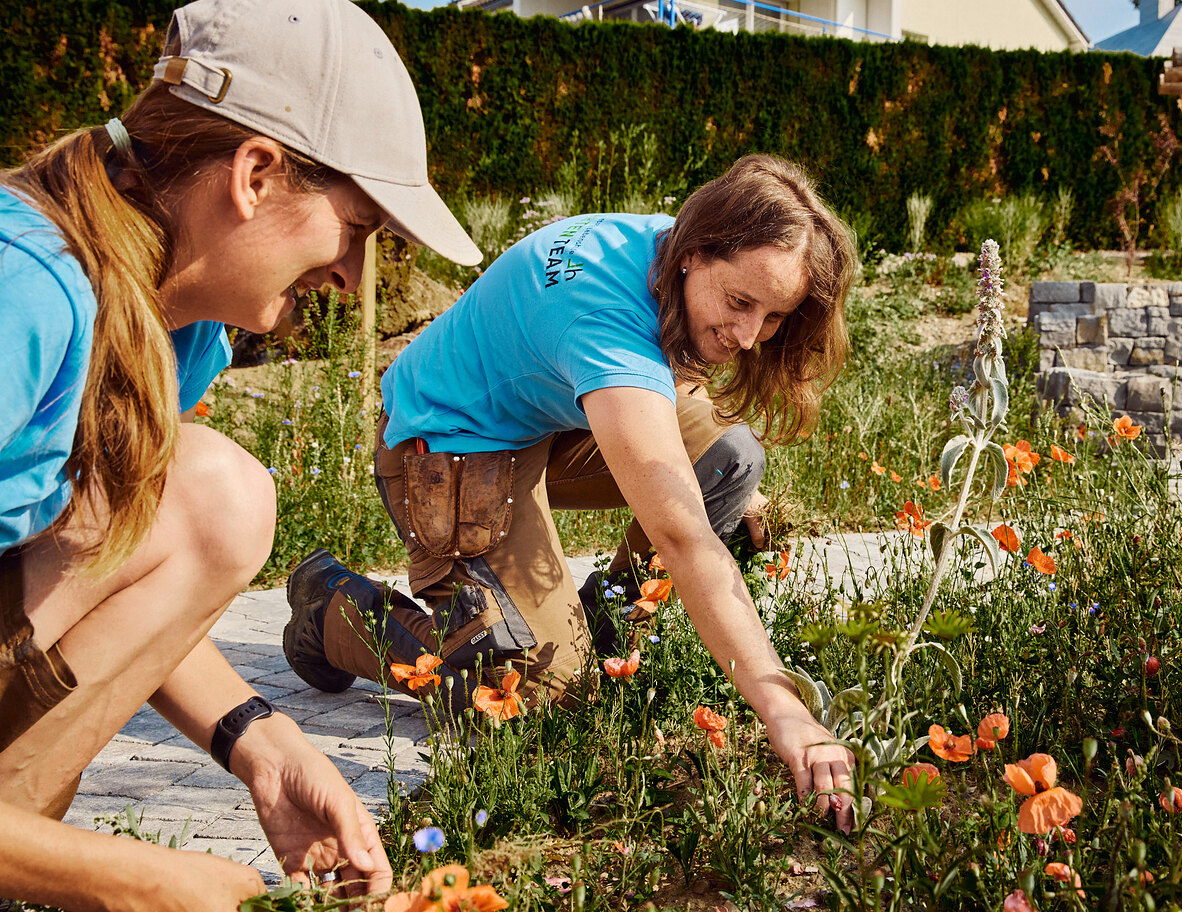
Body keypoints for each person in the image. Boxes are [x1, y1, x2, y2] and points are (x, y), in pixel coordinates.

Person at [0, 0, 483, 909]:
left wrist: (265, 746)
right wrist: (132, 882)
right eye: (359, 229)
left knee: (215, 498)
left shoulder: (179, 330)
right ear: (255, 174)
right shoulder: (26, 293)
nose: (352, 274)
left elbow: (104, 583)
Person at [284, 154, 861, 829]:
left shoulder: (672, 246)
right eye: (739, 303)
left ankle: (601, 626)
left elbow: (666, 397)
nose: (745, 337)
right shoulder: (604, 322)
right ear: (696, 256)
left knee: (727, 459)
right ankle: (332, 611)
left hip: (544, 420)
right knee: (535, 696)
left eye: (771, 316)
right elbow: (681, 535)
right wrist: (781, 703)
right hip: (446, 447)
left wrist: (735, 496)